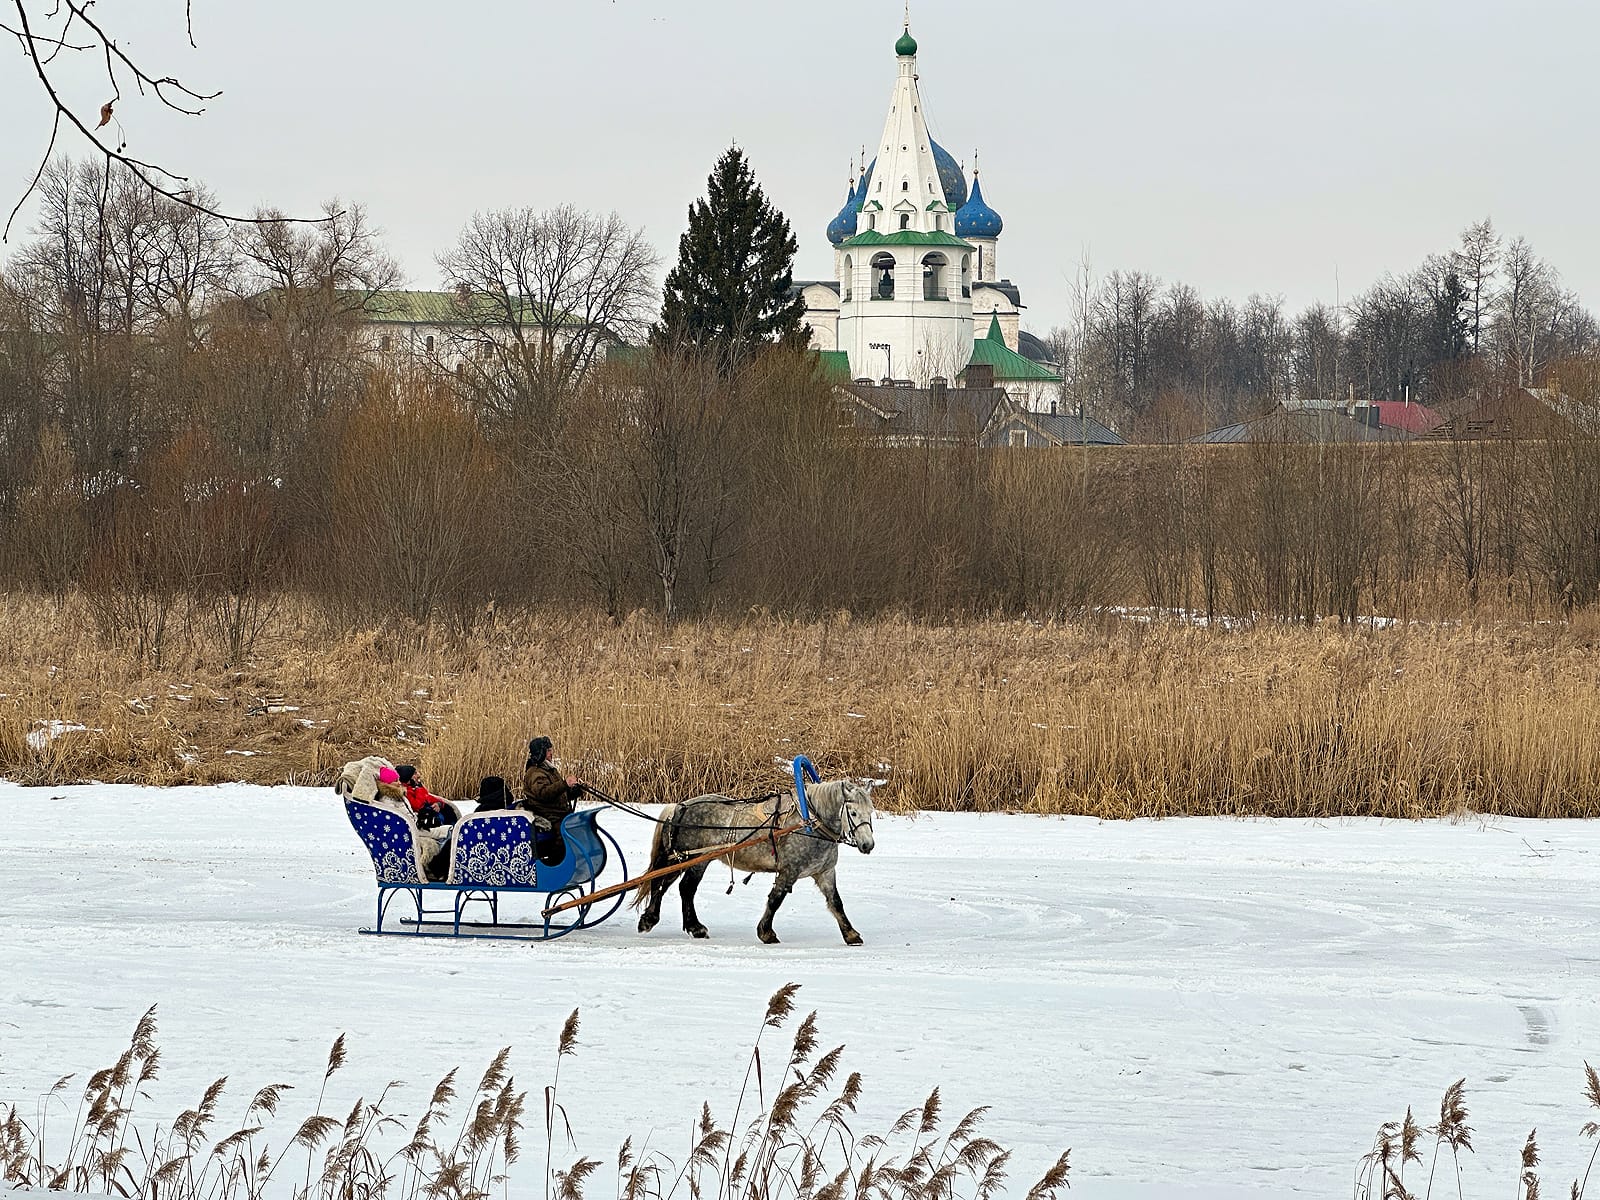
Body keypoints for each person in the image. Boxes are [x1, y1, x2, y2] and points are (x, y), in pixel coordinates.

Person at [522, 737, 584, 864]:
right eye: (548, 750)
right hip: (547, 814)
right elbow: (544, 793)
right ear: (541, 752)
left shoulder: (549, 770)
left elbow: (558, 794)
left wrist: (574, 790)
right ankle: (555, 865)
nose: (551, 753)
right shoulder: (534, 772)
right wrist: (564, 784)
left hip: (559, 812)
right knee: (562, 836)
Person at [394, 765, 460, 830]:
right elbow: (417, 806)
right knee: (440, 817)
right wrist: (418, 789)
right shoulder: (407, 791)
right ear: (408, 777)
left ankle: (455, 832)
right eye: (415, 773)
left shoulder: (413, 787)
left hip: (431, 809)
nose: (418, 775)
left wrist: (439, 803)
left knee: (448, 809)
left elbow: (429, 797)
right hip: (424, 816)